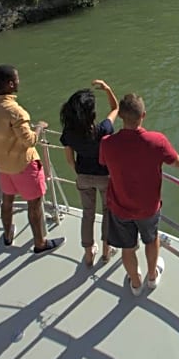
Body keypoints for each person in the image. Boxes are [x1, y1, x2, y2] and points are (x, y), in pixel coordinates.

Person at [0, 64, 64, 254]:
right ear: (9, 84)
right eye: (16, 79)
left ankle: (7, 235)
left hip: (2, 164)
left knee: (7, 200)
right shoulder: (15, 112)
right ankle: (40, 243)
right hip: (24, 165)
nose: (18, 82)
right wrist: (39, 126)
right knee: (35, 205)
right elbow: (30, 141)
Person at [99, 93, 179, 296]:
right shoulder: (157, 141)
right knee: (151, 239)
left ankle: (135, 283)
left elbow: (103, 163)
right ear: (143, 115)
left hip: (119, 206)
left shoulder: (107, 143)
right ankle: (152, 277)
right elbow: (177, 162)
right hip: (148, 207)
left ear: (120, 117)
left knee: (127, 247)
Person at [60, 79, 119, 267]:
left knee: (88, 214)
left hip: (83, 176)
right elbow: (115, 108)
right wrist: (108, 89)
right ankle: (106, 250)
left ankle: (88, 253)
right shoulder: (103, 129)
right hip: (105, 177)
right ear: (92, 112)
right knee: (108, 212)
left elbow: (70, 159)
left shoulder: (69, 133)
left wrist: (78, 171)